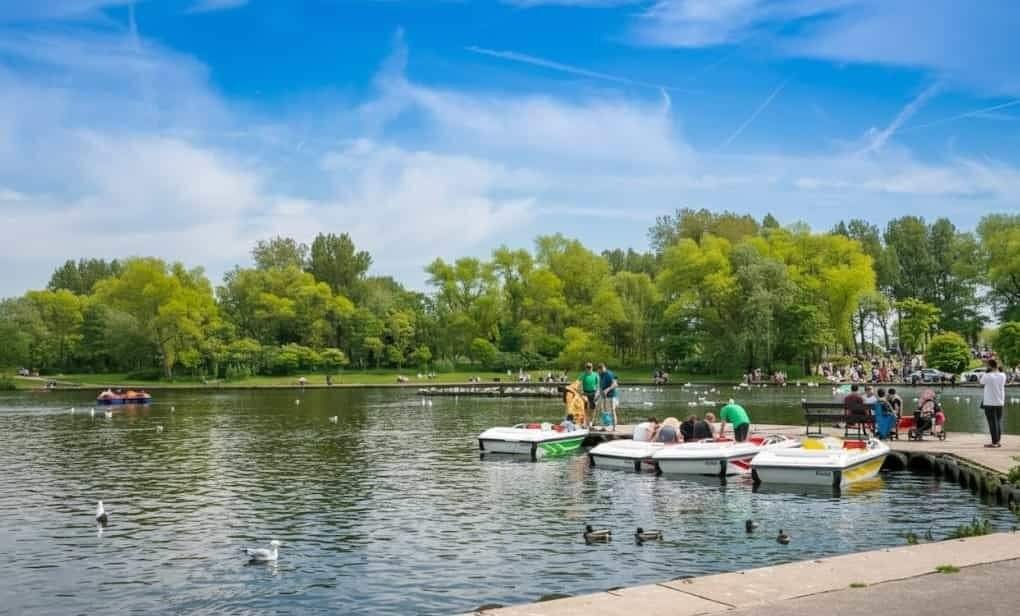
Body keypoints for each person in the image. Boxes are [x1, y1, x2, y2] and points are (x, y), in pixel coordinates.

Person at [979, 359, 1007, 448]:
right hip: (1000, 401)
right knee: (998, 422)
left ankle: (994, 442)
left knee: (992, 422)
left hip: (989, 402)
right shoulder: (1003, 375)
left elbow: (981, 382)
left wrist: (987, 372)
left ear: (990, 366)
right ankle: (997, 441)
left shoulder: (987, 375)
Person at [597, 363, 620, 430]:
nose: (599, 372)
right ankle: (604, 426)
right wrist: (599, 394)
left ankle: (614, 427)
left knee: (612, 410)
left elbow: (615, 384)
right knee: (603, 411)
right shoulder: (601, 375)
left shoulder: (609, 374)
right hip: (604, 396)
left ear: (602, 369)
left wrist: (608, 389)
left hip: (612, 395)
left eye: (599, 371)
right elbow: (601, 385)